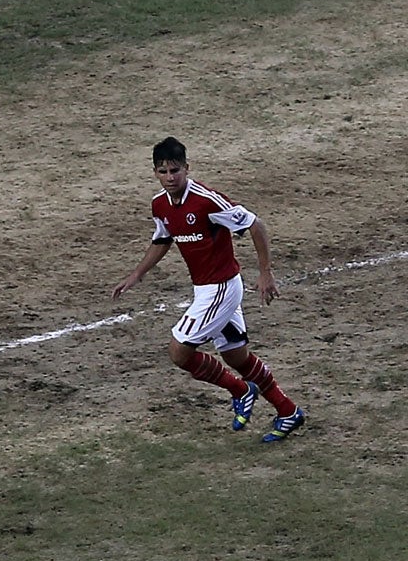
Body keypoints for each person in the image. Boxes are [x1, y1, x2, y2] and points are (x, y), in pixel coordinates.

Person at [110, 136, 306, 441]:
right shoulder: (160, 204)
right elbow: (163, 239)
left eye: (175, 170)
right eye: (163, 172)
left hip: (222, 289)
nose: (170, 177)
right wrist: (137, 273)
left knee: (179, 352)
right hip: (205, 290)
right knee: (237, 357)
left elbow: (255, 224)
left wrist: (266, 273)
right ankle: (287, 411)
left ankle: (240, 390)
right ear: (155, 173)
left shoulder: (206, 201)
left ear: (187, 168)